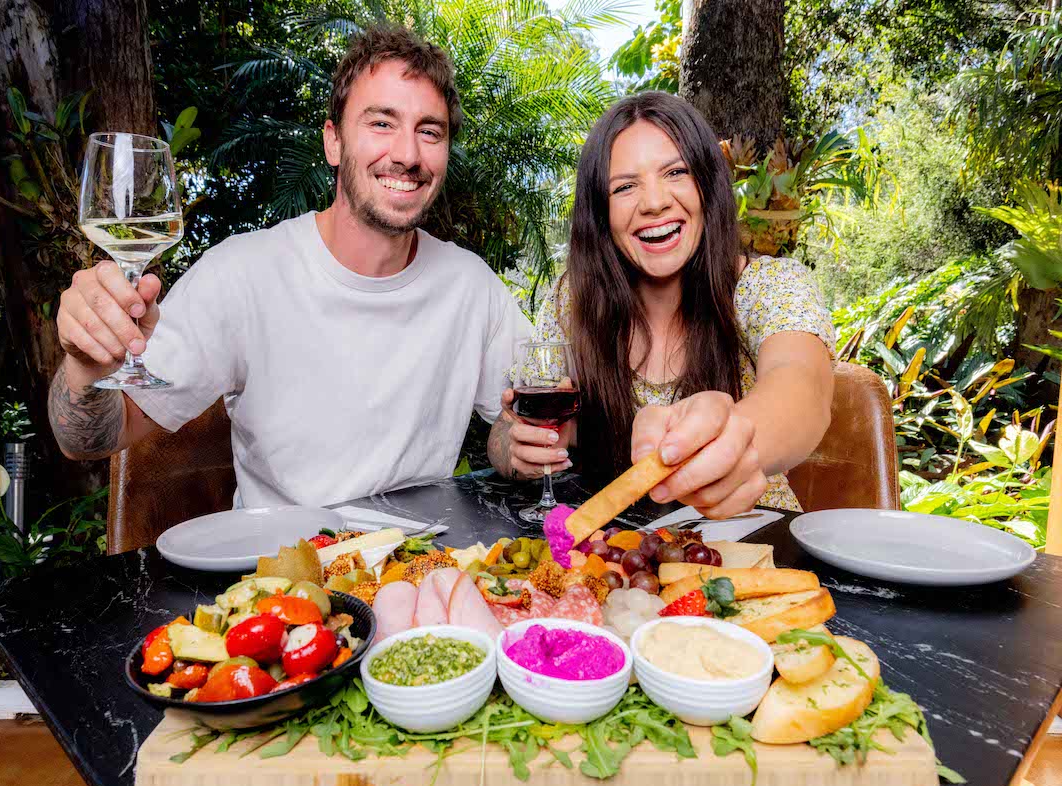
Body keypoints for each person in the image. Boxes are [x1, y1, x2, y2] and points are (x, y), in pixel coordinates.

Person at [48, 25, 531, 508]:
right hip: (280, 575)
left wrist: (516, 446)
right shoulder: (241, 275)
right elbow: (87, 440)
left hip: (420, 571)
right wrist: (84, 368)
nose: (407, 154)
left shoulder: (471, 286)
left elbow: (525, 423)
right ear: (334, 142)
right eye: (381, 123)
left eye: (429, 131)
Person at [488, 92, 835, 517]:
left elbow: (801, 387)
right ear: (601, 212)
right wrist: (514, 447)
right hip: (622, 554)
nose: (653, 202)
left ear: (707, 186)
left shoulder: (770, 285)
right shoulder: (573, 301)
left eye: (675, 172)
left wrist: (740, 437)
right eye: (625, 186)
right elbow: (513, 428)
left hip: (758, 549)